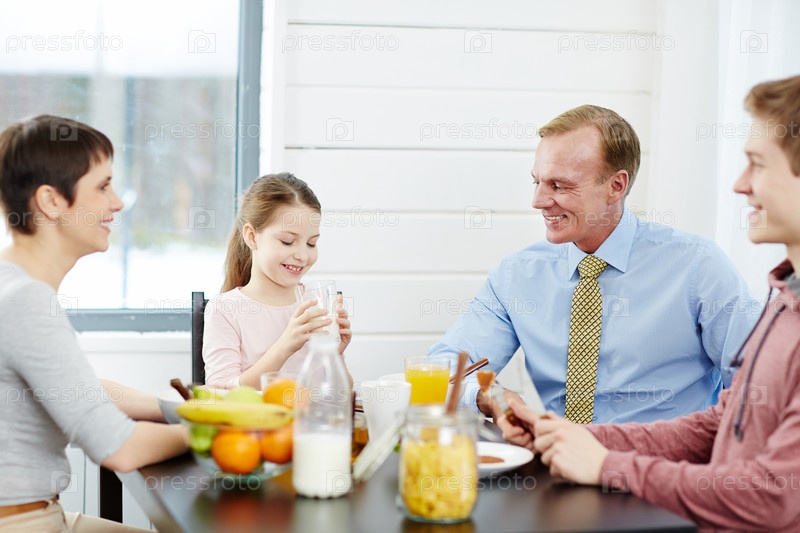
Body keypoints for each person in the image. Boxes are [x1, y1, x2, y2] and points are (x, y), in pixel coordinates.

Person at [507, 75, 800, 532]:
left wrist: (609, 466)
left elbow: (775, 496)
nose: (740, 185)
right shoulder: (785, 300)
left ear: (617, 185)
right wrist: (573, 439)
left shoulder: (701, 266)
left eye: (757, 164)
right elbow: (725, 422)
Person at [428, 104, 759, 425]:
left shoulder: (699, 268)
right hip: (555, 457)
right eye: (537, 182)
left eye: (559, 185)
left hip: (663, 460)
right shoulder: (517, 275)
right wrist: (490, 397)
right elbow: (439, 372)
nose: (538, 201)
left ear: (616, 186)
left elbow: (760, 386)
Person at [0, 115, 188, 531]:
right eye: (103, 186)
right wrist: (218, 433)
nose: (117, 203)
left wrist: (173, 409)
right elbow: (119, 448)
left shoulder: (12, 282)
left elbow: (74, 386)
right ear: (51, 201)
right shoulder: (26, 301)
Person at [203, 173, 352, 389]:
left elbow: (341, 395)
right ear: (252, 237)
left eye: (311, 243)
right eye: (287, 241)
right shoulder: (225, 309)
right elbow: (220, 392)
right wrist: (285, 345)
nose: (302, 255)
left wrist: (334, 355)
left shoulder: (316, 304)